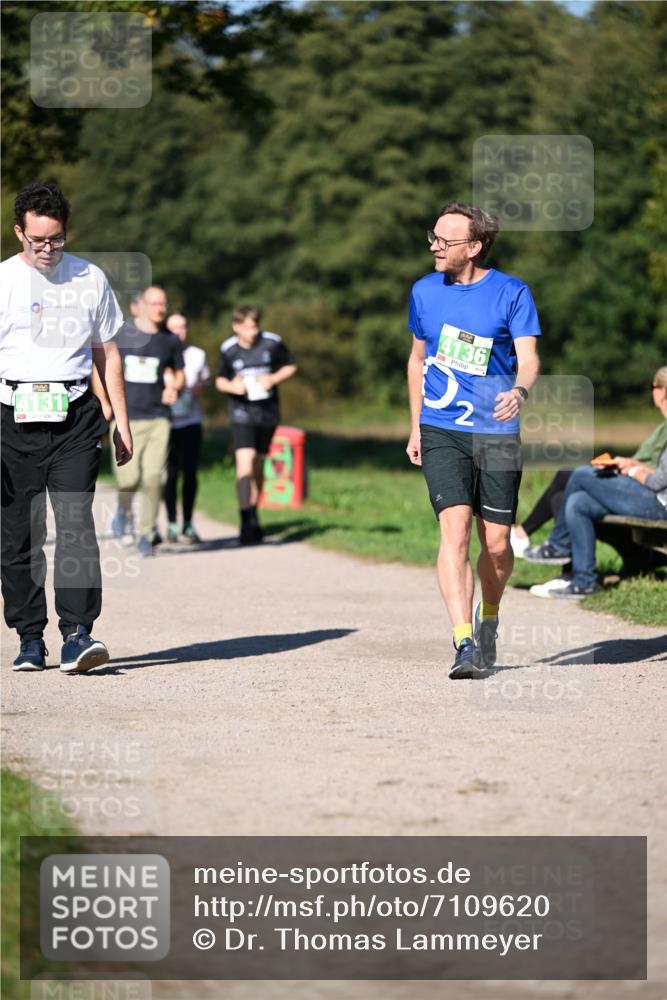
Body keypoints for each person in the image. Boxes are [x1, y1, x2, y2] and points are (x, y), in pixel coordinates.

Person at [1, 181, 132, 674]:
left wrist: (121, 420)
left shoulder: (90, 279)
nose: (48, 249)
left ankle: (78, 634)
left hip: (76, 415)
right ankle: (29, 637)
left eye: (56, 239)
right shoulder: (4, 281)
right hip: (11, 417)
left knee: (76, 525)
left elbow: (107, 353)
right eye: (38, 241)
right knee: (17, 534)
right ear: (19, 233)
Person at [406, 201, 541, 679]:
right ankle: (463, 642)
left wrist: (520, 392)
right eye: (433, 237)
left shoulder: (511, 292)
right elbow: (417, 359)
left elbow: (528, 358)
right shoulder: (424, 291)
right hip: (443, 427)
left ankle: (490, 619)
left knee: (498, 545)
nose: (434, 246)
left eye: (445, 240)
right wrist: (415, 424)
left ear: (475, 246)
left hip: (496, 430)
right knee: (455, 531)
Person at [514, 372, 667, 595]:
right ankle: (584, 580)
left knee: (581, 473)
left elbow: (658, 482)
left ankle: (558, 544)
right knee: (579, 502)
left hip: (658, 505)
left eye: (653, 386)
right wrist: (632, 465)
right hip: (654, 498)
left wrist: (632, 470)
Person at [109, 286, 184, 557]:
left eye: (163, 303)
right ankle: (122, 509)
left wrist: (174, 387)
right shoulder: (121, 336)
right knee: (128, 479)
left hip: (158, 418)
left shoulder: (170, 341)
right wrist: (106, 405)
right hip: (126, 418)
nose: (160, 309)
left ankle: (146, 533)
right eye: (154, 303)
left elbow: (178, 374)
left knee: (154, 477)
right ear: (137, 307)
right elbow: (104, 368)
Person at [215, 305, 297, 545]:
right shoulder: (229, 349)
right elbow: (219, 379)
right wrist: (233, 387)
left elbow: (291, 365)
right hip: (241, 414)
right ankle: (245, 521)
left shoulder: (272, 343)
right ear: (236, 326)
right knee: (245, 463)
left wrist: (273, 378)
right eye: (247, 327)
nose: (252, 332)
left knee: (259, 468)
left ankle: (254, 514)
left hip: (267, 414)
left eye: (255, 326)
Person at [163, 312, 209, 543]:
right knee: (169, 475)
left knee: (190, 473)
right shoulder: (160, 351)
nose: (177, 332)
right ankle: (171, 523)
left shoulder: (197, 355)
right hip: (165, 423)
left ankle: (188, 523)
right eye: (173, 328)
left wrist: (196, 389)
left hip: (191, 422)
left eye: (182, 327)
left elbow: (203, 382)